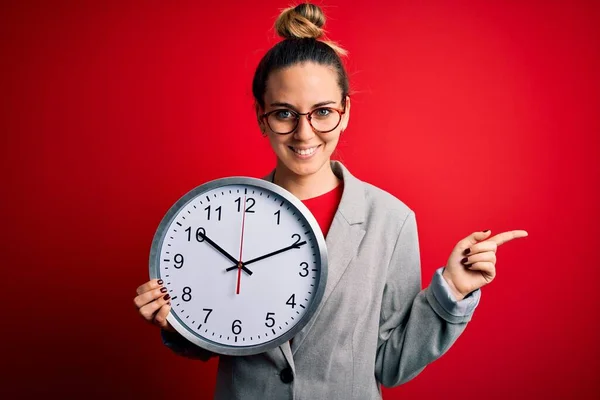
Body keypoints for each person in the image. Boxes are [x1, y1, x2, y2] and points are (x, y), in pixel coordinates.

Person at [133, 3, 528, 399]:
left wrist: (452, 291)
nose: (305, 134)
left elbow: (390, 365)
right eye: (285, 113)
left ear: (345, 111)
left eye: (322, 112)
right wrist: (175, 324)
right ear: (261, 116)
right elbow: (221, 334)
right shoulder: (219, 218)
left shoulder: (391, 221)